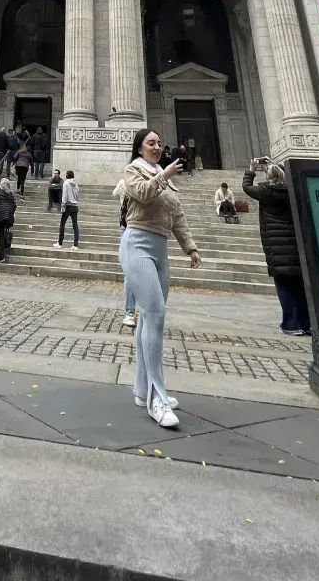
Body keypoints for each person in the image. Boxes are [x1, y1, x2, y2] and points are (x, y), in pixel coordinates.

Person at [121, 128, 201, 429]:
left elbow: (176, 215)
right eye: (150, 143)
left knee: (148, 320)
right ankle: (157, 396)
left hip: (160, 249)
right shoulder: (133, 171)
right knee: (155, 314)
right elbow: (141, 194)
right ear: (139, 148)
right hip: (137, 243)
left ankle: (142, 391)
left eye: (158, 143)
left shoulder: (163, 178)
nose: (156, 147)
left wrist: (190, 248)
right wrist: (164, 176)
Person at [242, 159, 310, 336]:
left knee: (284, 287)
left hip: (276, 246)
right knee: (300, 287)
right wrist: (275, 164)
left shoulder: (265, 191)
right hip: (294, 244)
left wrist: (251, 169)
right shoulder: (291, 191)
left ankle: (290, 324)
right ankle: (306, 324)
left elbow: (247, 187)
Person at [112, 175, 137, 328]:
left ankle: (130, 313)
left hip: (127, 227)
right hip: (134, 228)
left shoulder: (123, 182)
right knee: (131, 271)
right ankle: (132, 312)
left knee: (130, 272)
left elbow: (114, 194)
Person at [0, 178, 17, 263]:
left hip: (0, 215)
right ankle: (1, 249)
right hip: (8, 215)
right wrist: (11, 213)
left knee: (0, 234)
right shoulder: (10, 193)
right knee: (3, 232)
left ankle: (1, 255)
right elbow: (14, 205)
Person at [57, 170, 80, 250]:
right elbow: (77, 196)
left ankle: (60, 243)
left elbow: (65, 195)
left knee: (62, 224)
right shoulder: (76, 185)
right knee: (75, 225)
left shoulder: (66, 183)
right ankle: (75, 245)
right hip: (75, 206)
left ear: (67, 175)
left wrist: (63, 205)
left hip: (68, 206)